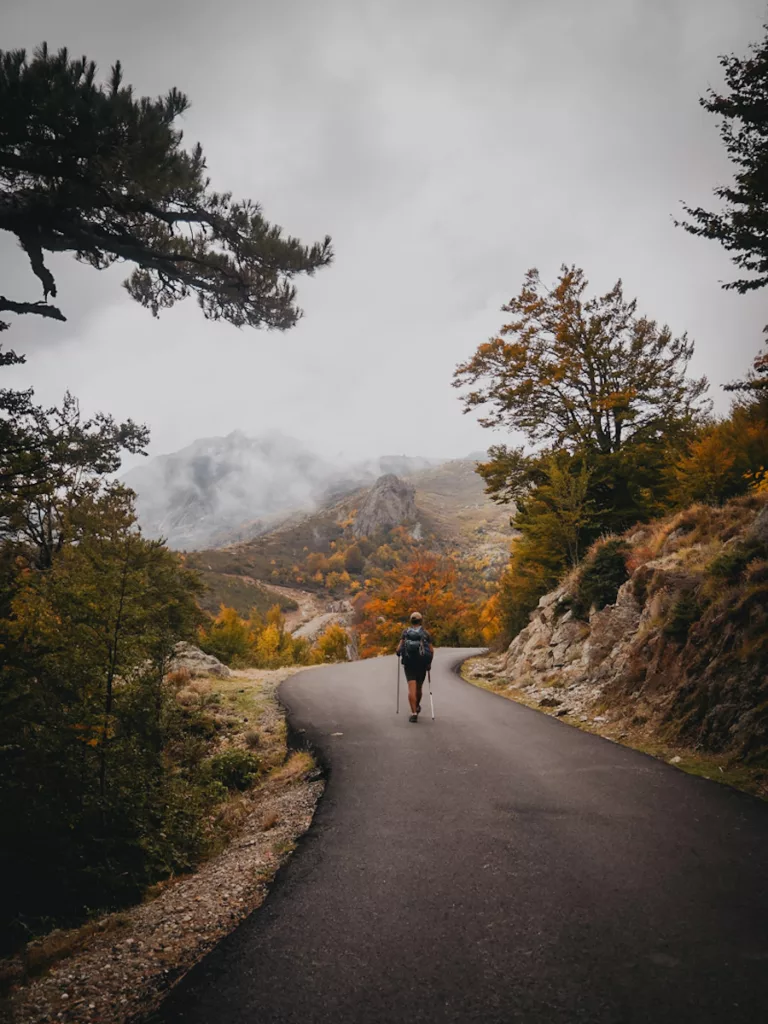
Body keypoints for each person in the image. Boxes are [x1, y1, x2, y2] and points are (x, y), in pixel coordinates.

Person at [396, 611, 434, 723]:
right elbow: (431, 650)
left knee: (411, 689)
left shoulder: (405, 632)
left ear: (411, 621)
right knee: (419, 688)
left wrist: (398, 652)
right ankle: (417, 706)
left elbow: (399, 649)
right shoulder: (425, 633)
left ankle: (413, 713)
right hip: (421, 664)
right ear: (421, 621)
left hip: (409, 664)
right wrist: (429, 664)